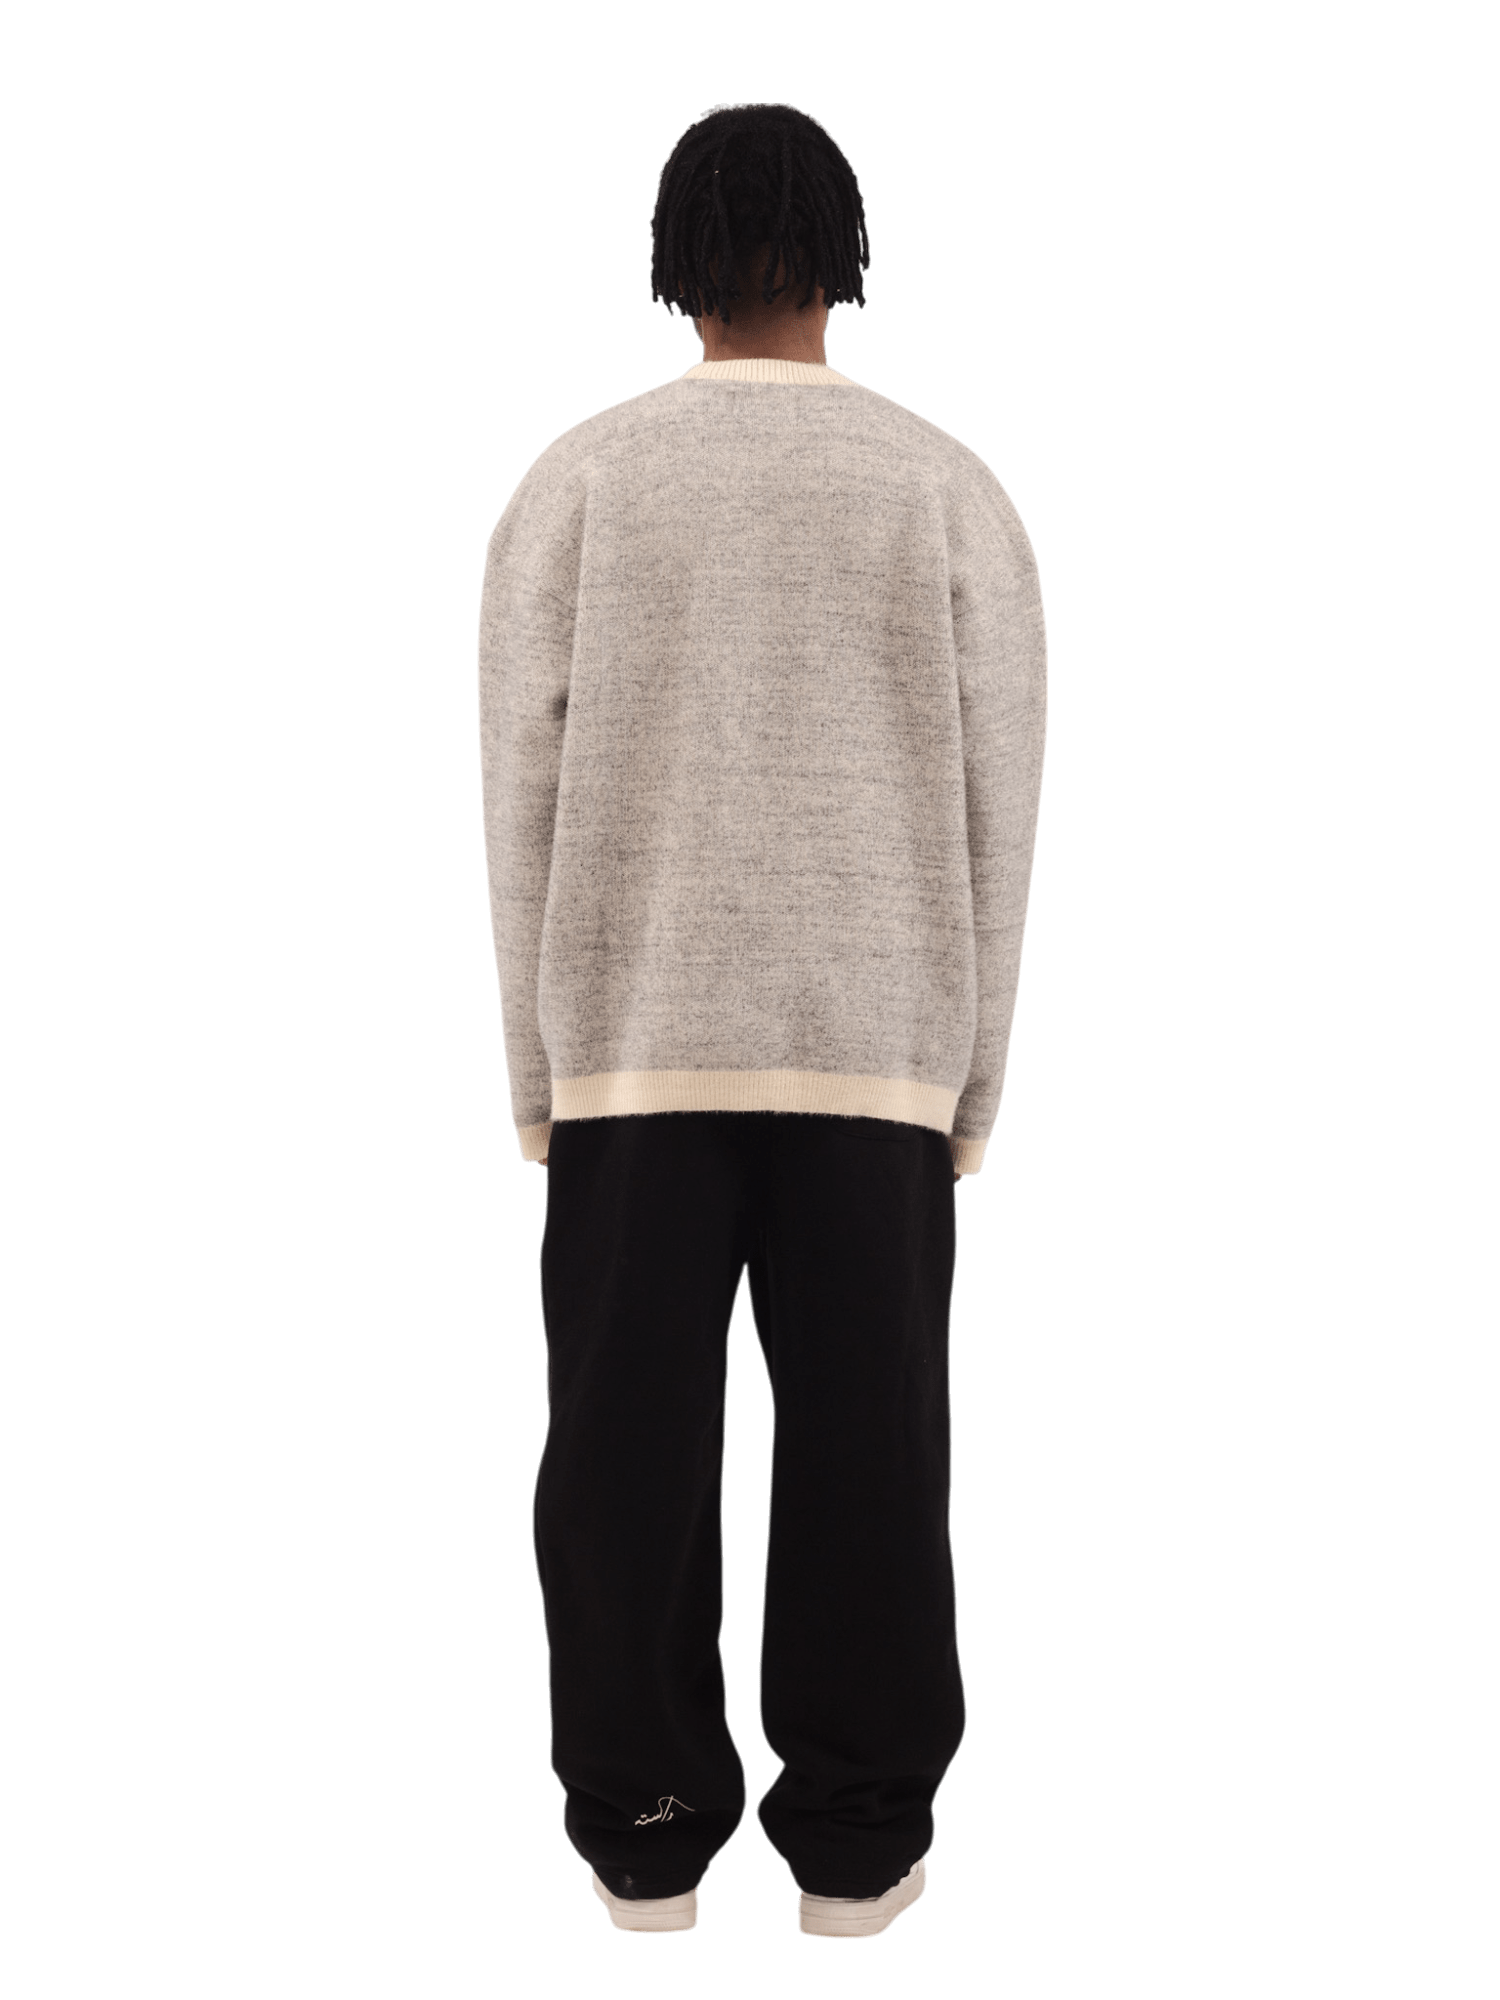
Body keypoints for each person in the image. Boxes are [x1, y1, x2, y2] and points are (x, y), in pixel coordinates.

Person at [476, 100, 1048, 1941]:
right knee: (875, 1458)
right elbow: (1004, 806)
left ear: (675, 260)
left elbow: (516, 801)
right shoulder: (946, 487)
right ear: (845, 256)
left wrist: (540, 1080)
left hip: (631, 1058)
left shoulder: (578, 482)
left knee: (619, 1461)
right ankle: (860, 1849)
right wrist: (970, 1086)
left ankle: (643, 1835)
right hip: (877, 1060)